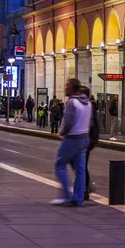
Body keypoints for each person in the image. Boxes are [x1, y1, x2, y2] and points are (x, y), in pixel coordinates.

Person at [51, 78, 91, 206]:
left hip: (73, 138)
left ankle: (67, 195)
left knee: (60, 164)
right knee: (81, 170)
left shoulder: (72, 102)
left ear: (72, 88)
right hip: (85, 138)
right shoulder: (88, 103)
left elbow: (68, 122)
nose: (65, 88)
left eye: (67, 86)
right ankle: (78, 198)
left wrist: (62, 133)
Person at [83, 86, 100, 200]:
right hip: (86, 139)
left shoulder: (87, 106)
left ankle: (84, 188)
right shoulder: (88, 105)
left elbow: (90, 124)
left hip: (85, 140)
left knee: (81, 165)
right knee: (81, 165)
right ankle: (84, 188)